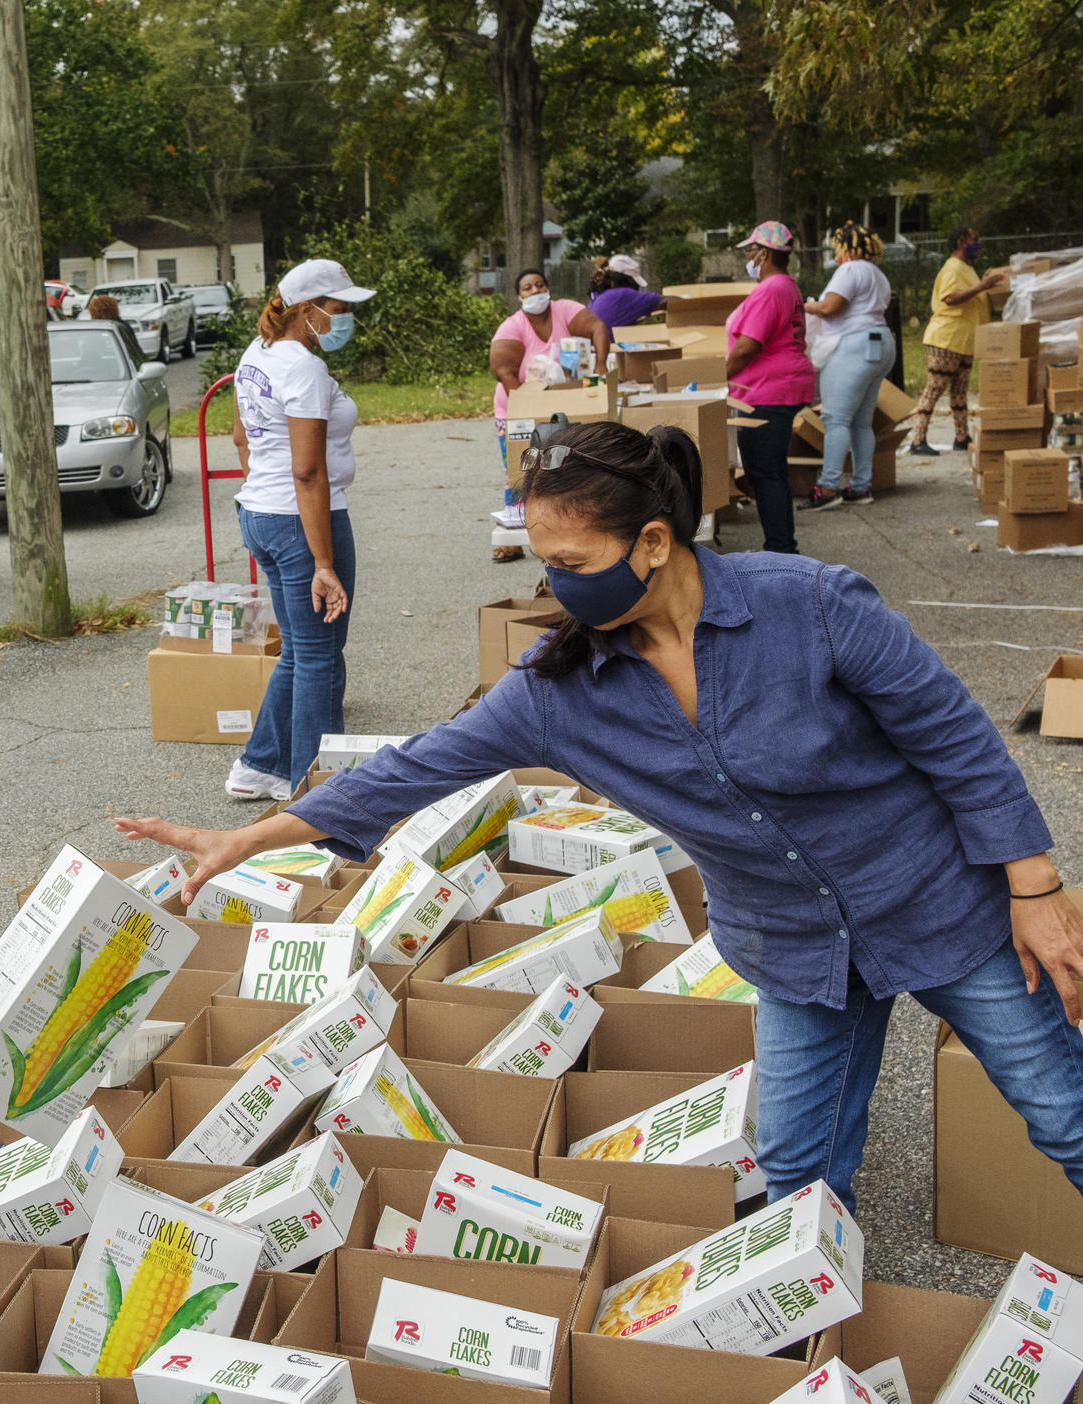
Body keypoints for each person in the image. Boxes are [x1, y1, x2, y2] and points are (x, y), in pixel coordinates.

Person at [120, 417, 1083, 1216]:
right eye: (544, 562)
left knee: (1064, 1113)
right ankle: (802, 1350)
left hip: (931, 899)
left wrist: (1032, 885)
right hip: (794, 947)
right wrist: (249, 837)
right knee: (798, 1178)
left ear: (654, 543)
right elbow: (413, 769)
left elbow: (953, 735)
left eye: (574, 561)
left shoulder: (814, 606)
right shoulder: (558, 690)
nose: (558, 585)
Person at [222, 258, 375, 801]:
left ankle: (259, 765)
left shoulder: (256, 353)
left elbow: (241, 437)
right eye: (338, 309)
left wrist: (266, 490)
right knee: (319, 655)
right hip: (304, 521)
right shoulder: (304, 369)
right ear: (308, 311)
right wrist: (324, 563)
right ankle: (315, 791)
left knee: (299, 650)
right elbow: (307, 470)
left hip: (262, 514)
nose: (345, 319)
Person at [489, 269, 612, 562]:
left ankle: (568, 532)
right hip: (516, 405)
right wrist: (524, 405)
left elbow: (597, 328)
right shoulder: (512, 326)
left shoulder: (565, 311)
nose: (535, 292)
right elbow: (504, 370)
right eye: (527, 288)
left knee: (569, 470)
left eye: (539, 285)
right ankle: (514, 536)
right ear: (519, 296)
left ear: (548, 288)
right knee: (520, 470)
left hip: (565, 405)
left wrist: (601, 366)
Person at [725, 221, 815, 553]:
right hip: (775, 388)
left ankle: (780, 548)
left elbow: (749, 345)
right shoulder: (785, 286)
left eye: (749, 251)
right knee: (770, 470)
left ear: (763, 254)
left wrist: (721, 376)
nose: (746, 258)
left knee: (764, 471)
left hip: (766, 391)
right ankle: (780, 545)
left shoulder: (771, 289)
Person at [801, 221, 895, 509]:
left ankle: (828, 487)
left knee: (836, 418)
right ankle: (861, 485)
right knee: (860, 422)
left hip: (853, 345)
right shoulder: (878, 274)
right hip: (881, 343)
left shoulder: (850, 269)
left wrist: (804, 305)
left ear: (846, 247)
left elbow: (831, 307)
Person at [910, 226, 1009, 455]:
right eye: (975, 239)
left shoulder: (966, 268)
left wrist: (983, 285)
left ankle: (961, 437)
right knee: (934, 388)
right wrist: (982, 286)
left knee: (959, 391)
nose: (979, 243)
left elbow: (972, 295)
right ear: (961, 242)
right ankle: (918, 439)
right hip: (947, 338)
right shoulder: (953, 268)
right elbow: (950, 297)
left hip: (964, 340)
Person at [586, 254, 665, 331]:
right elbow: (663, 301)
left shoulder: (598, 297)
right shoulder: (623, 294)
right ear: (626, 279)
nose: (636, 287)